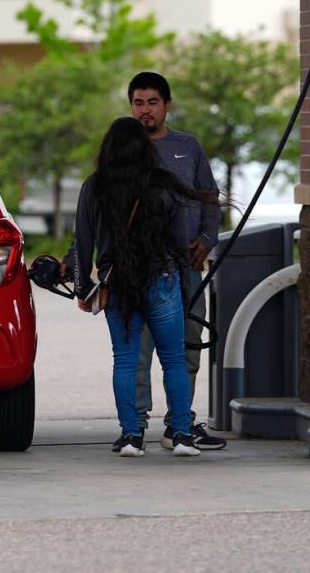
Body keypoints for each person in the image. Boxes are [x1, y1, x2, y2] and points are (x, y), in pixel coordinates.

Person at [73, 117, 215, 457]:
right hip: (162, 279)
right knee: (175, 360)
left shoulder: (94, 186)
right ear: (145, 147)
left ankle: (131, 436)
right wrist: (183, 283)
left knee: (124, 360)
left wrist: (82, 288)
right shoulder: (162, 183)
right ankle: (181, 434)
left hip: (118, 283)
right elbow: (180, 238)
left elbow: (82, 242)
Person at [128, 72, 227, 451]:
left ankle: (179, 425)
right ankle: (134, 425)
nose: (145, 110)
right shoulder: (124, 148)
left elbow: (209, 197)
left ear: (167, 105)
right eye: (138, 102)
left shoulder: (188, 146)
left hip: (186, 265)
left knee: (187, 344)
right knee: (138, 350)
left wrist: (206, 239)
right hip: (141, 268)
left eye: (153, 102)